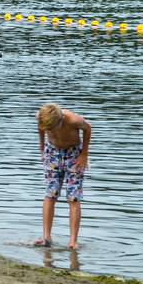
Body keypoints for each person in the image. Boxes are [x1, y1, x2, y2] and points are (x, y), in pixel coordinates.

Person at [35, 103, 91, 250]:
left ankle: (73, 241)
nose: (50, 131)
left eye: (52, 128)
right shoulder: (41, 117)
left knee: (73, 197)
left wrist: (84, 154)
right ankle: (46, 237)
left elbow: (88, 128)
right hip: (52, 153)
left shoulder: (74, 120)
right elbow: (40, 128)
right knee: (50, 194)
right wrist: (42, 149)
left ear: (60, 121)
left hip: (74, 155)